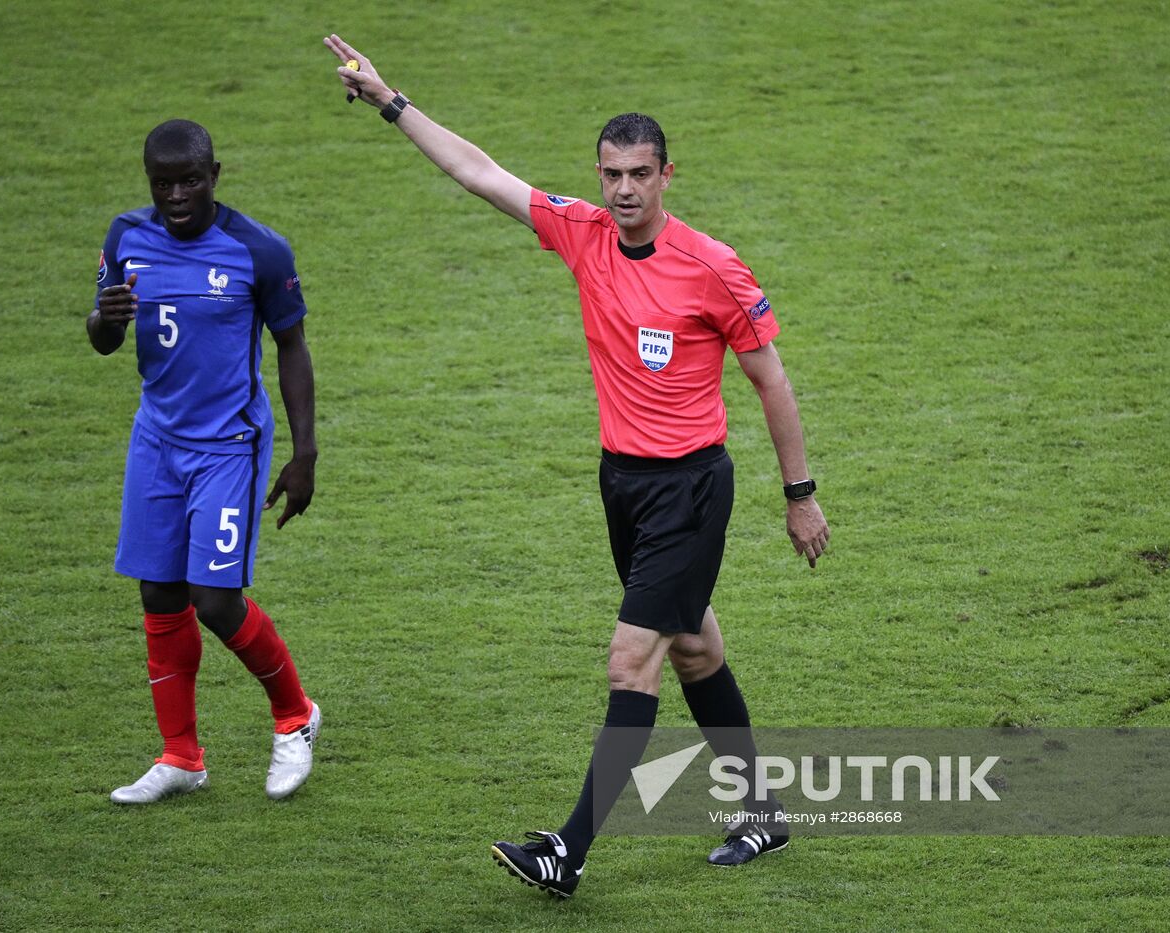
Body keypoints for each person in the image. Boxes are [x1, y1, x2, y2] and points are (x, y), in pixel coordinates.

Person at [323, 36, 829, 897]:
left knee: (632, 659)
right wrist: (390, 101)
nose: (624, 190)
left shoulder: (713, 266)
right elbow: (480, 173)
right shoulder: (583, 233)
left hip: (693, 488)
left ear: (669, 174)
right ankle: (763, 812)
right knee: (695, 648)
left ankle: (569, 850)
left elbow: (769, 379)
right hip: (622, 485)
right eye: (611, 174)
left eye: (639, 174)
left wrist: (800, 494)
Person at [87, 119, 322, 804]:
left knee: (214, 599)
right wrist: (107, 317)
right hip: (156, 443)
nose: (178, 195)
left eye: (190, 180)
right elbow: (103, 339)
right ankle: (181, 754)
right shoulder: (126, 237)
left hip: (228, 446)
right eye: (164, 184)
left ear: (215, 175)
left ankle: (296, 715)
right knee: (159, 592)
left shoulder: (259, 250)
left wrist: (305, 453)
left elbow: (292, 347)